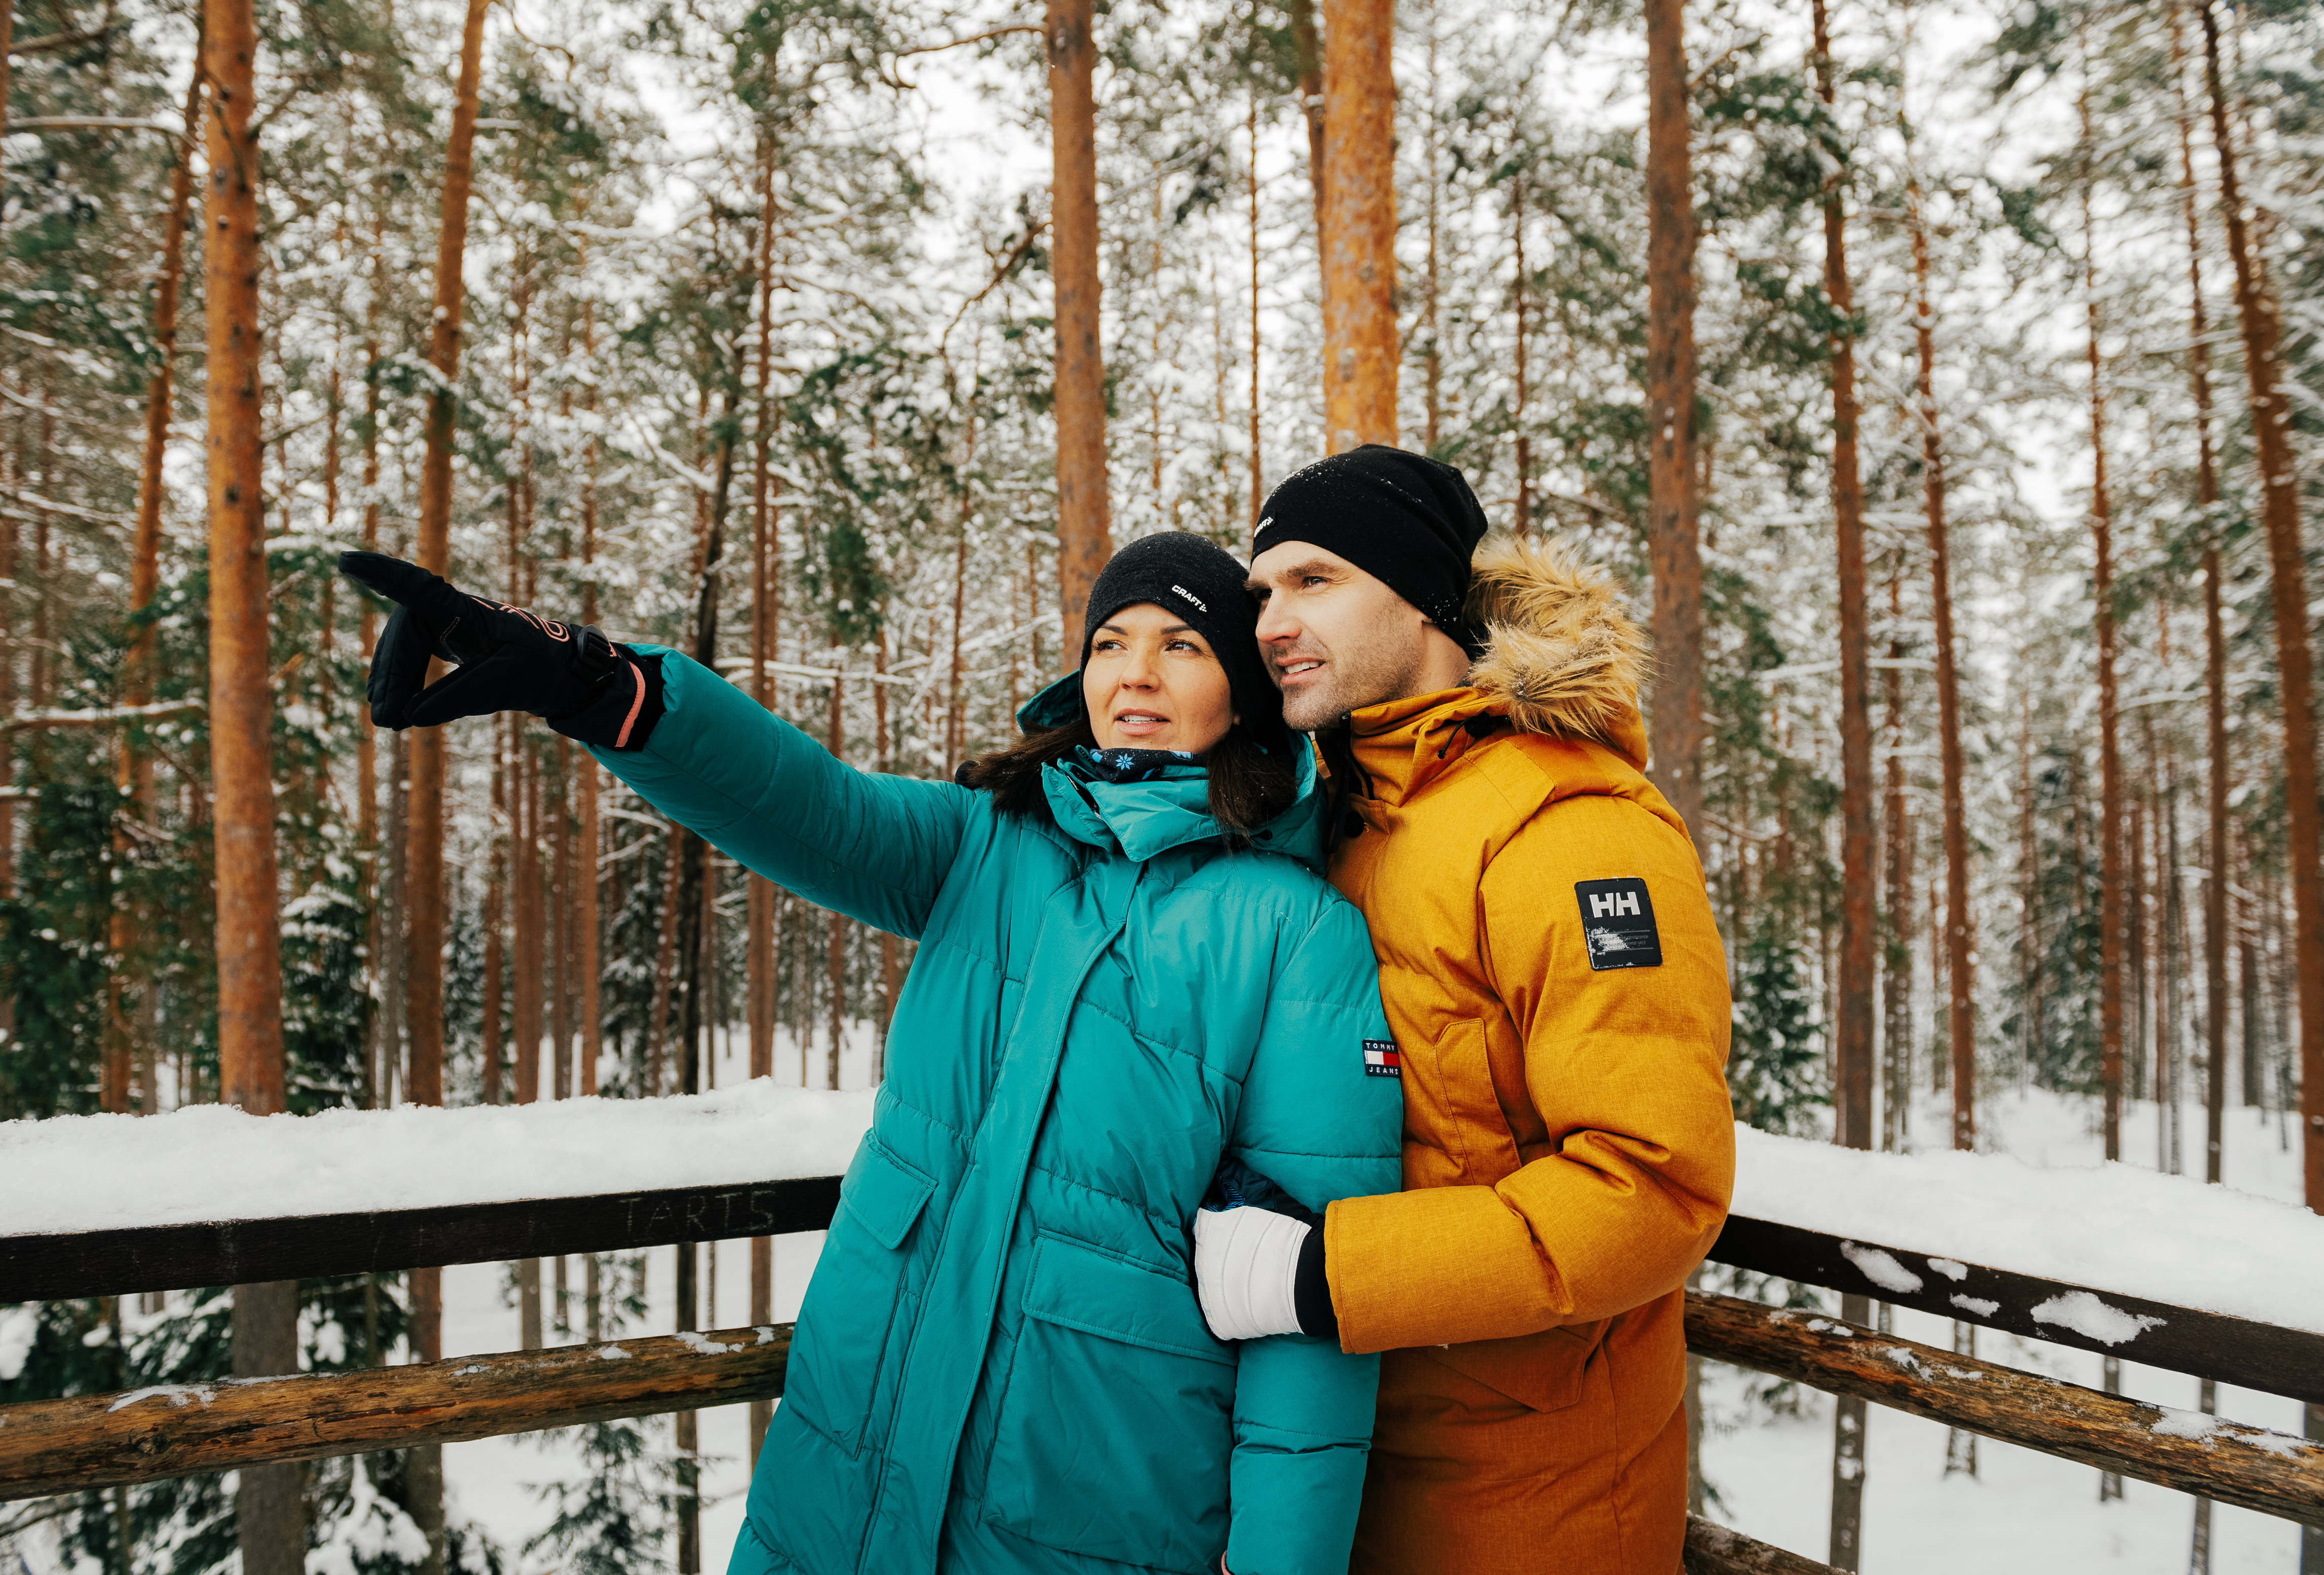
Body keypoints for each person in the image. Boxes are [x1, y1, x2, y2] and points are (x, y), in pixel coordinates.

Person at [341, 533, 1399, 1575]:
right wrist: (595, 682)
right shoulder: (985, 839)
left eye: (1182, 645)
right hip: (859, 1426)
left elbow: (1306, 1300)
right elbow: (806, 802)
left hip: (1093, 1478)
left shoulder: (1293, 930)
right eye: (1111, 640)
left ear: (1241, 692)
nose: (1135, 671)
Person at [1189, 446, 1736, 1575]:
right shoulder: (1336, 814)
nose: (1272, 621)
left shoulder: (1571, 826)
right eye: (1260, 593)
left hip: (1528, 1501)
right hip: (1339, 1461)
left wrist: (1320, 1271)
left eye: (1314, 580)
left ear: (1423, 596)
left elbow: (1653, 1183)